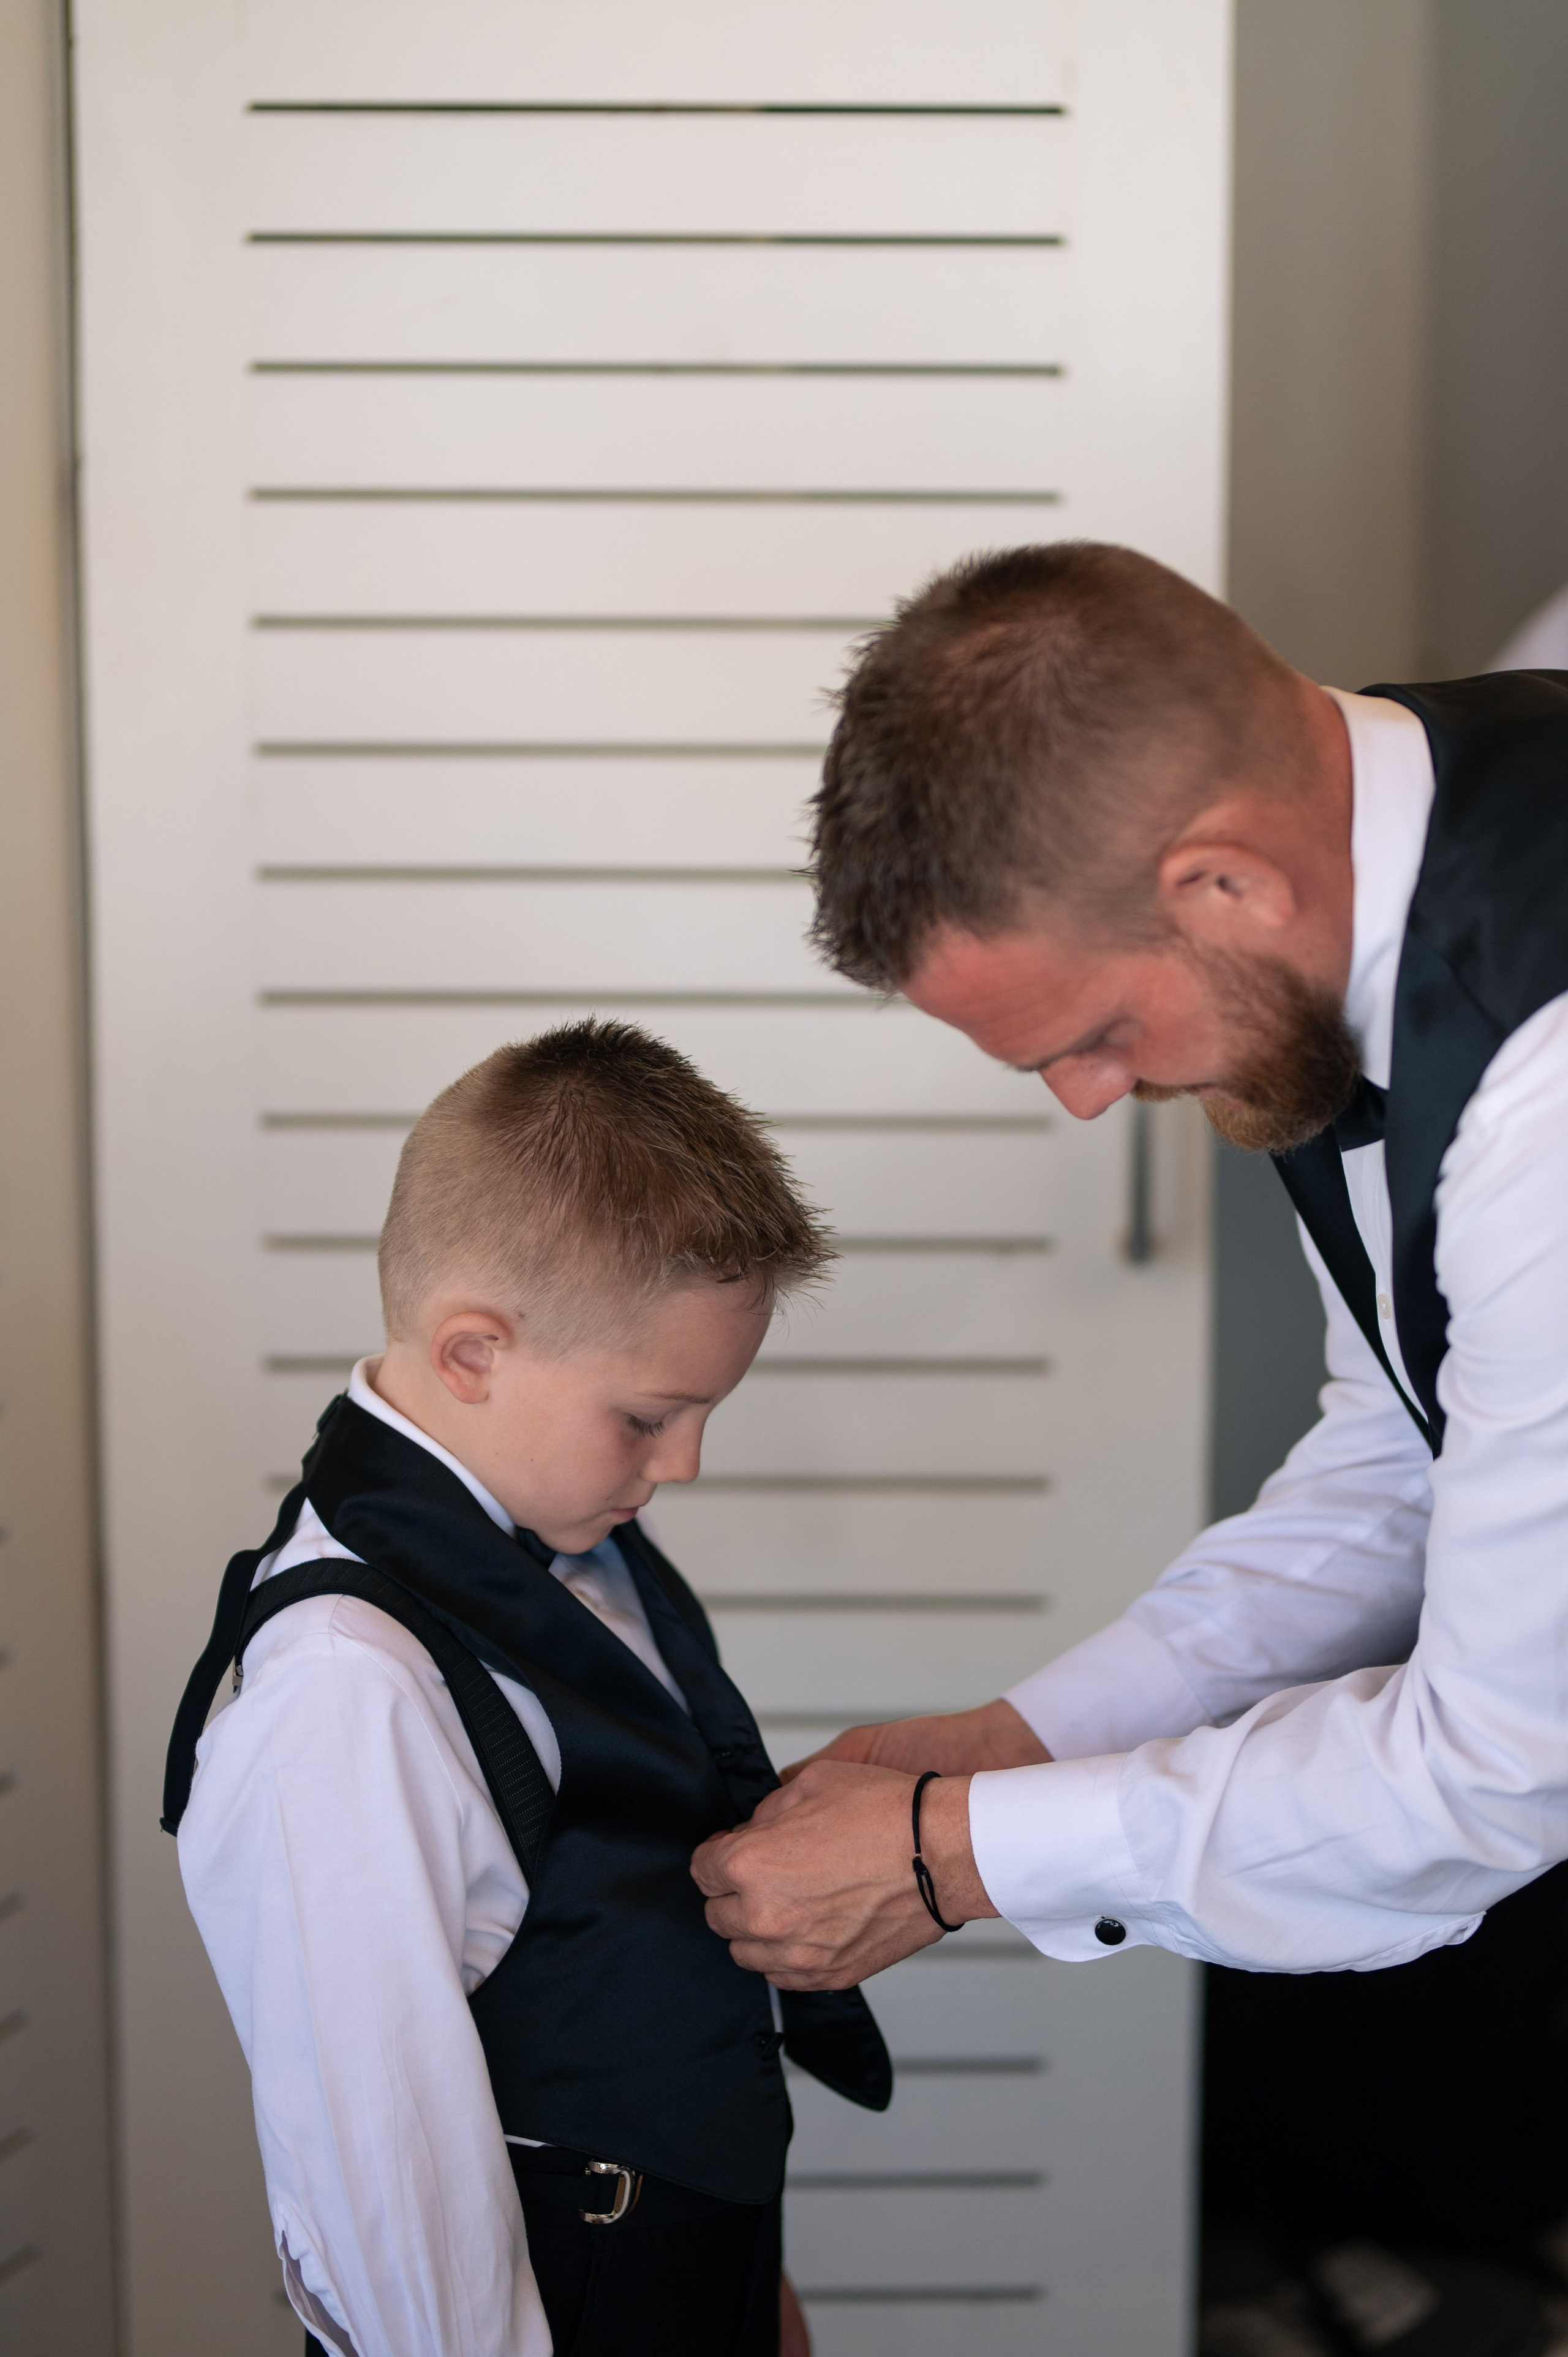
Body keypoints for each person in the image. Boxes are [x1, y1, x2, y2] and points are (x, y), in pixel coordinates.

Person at [690, 537, 1568, 2002]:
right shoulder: (1346, 879)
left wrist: (948, 1856)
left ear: (1220, 880)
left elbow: (1496, 1764)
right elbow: (1402, 1449)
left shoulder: (1544, 1081)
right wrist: (1022, 1742)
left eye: (1093, 1034)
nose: (1088, 1099)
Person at [162, 1020, 891, 2357]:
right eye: (648, 1416)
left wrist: (748, 2277)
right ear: (472, 1354)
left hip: (691, 2250)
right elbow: (384, 2172)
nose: (681, 1467)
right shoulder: (347, 1689)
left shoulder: (570, 1531)